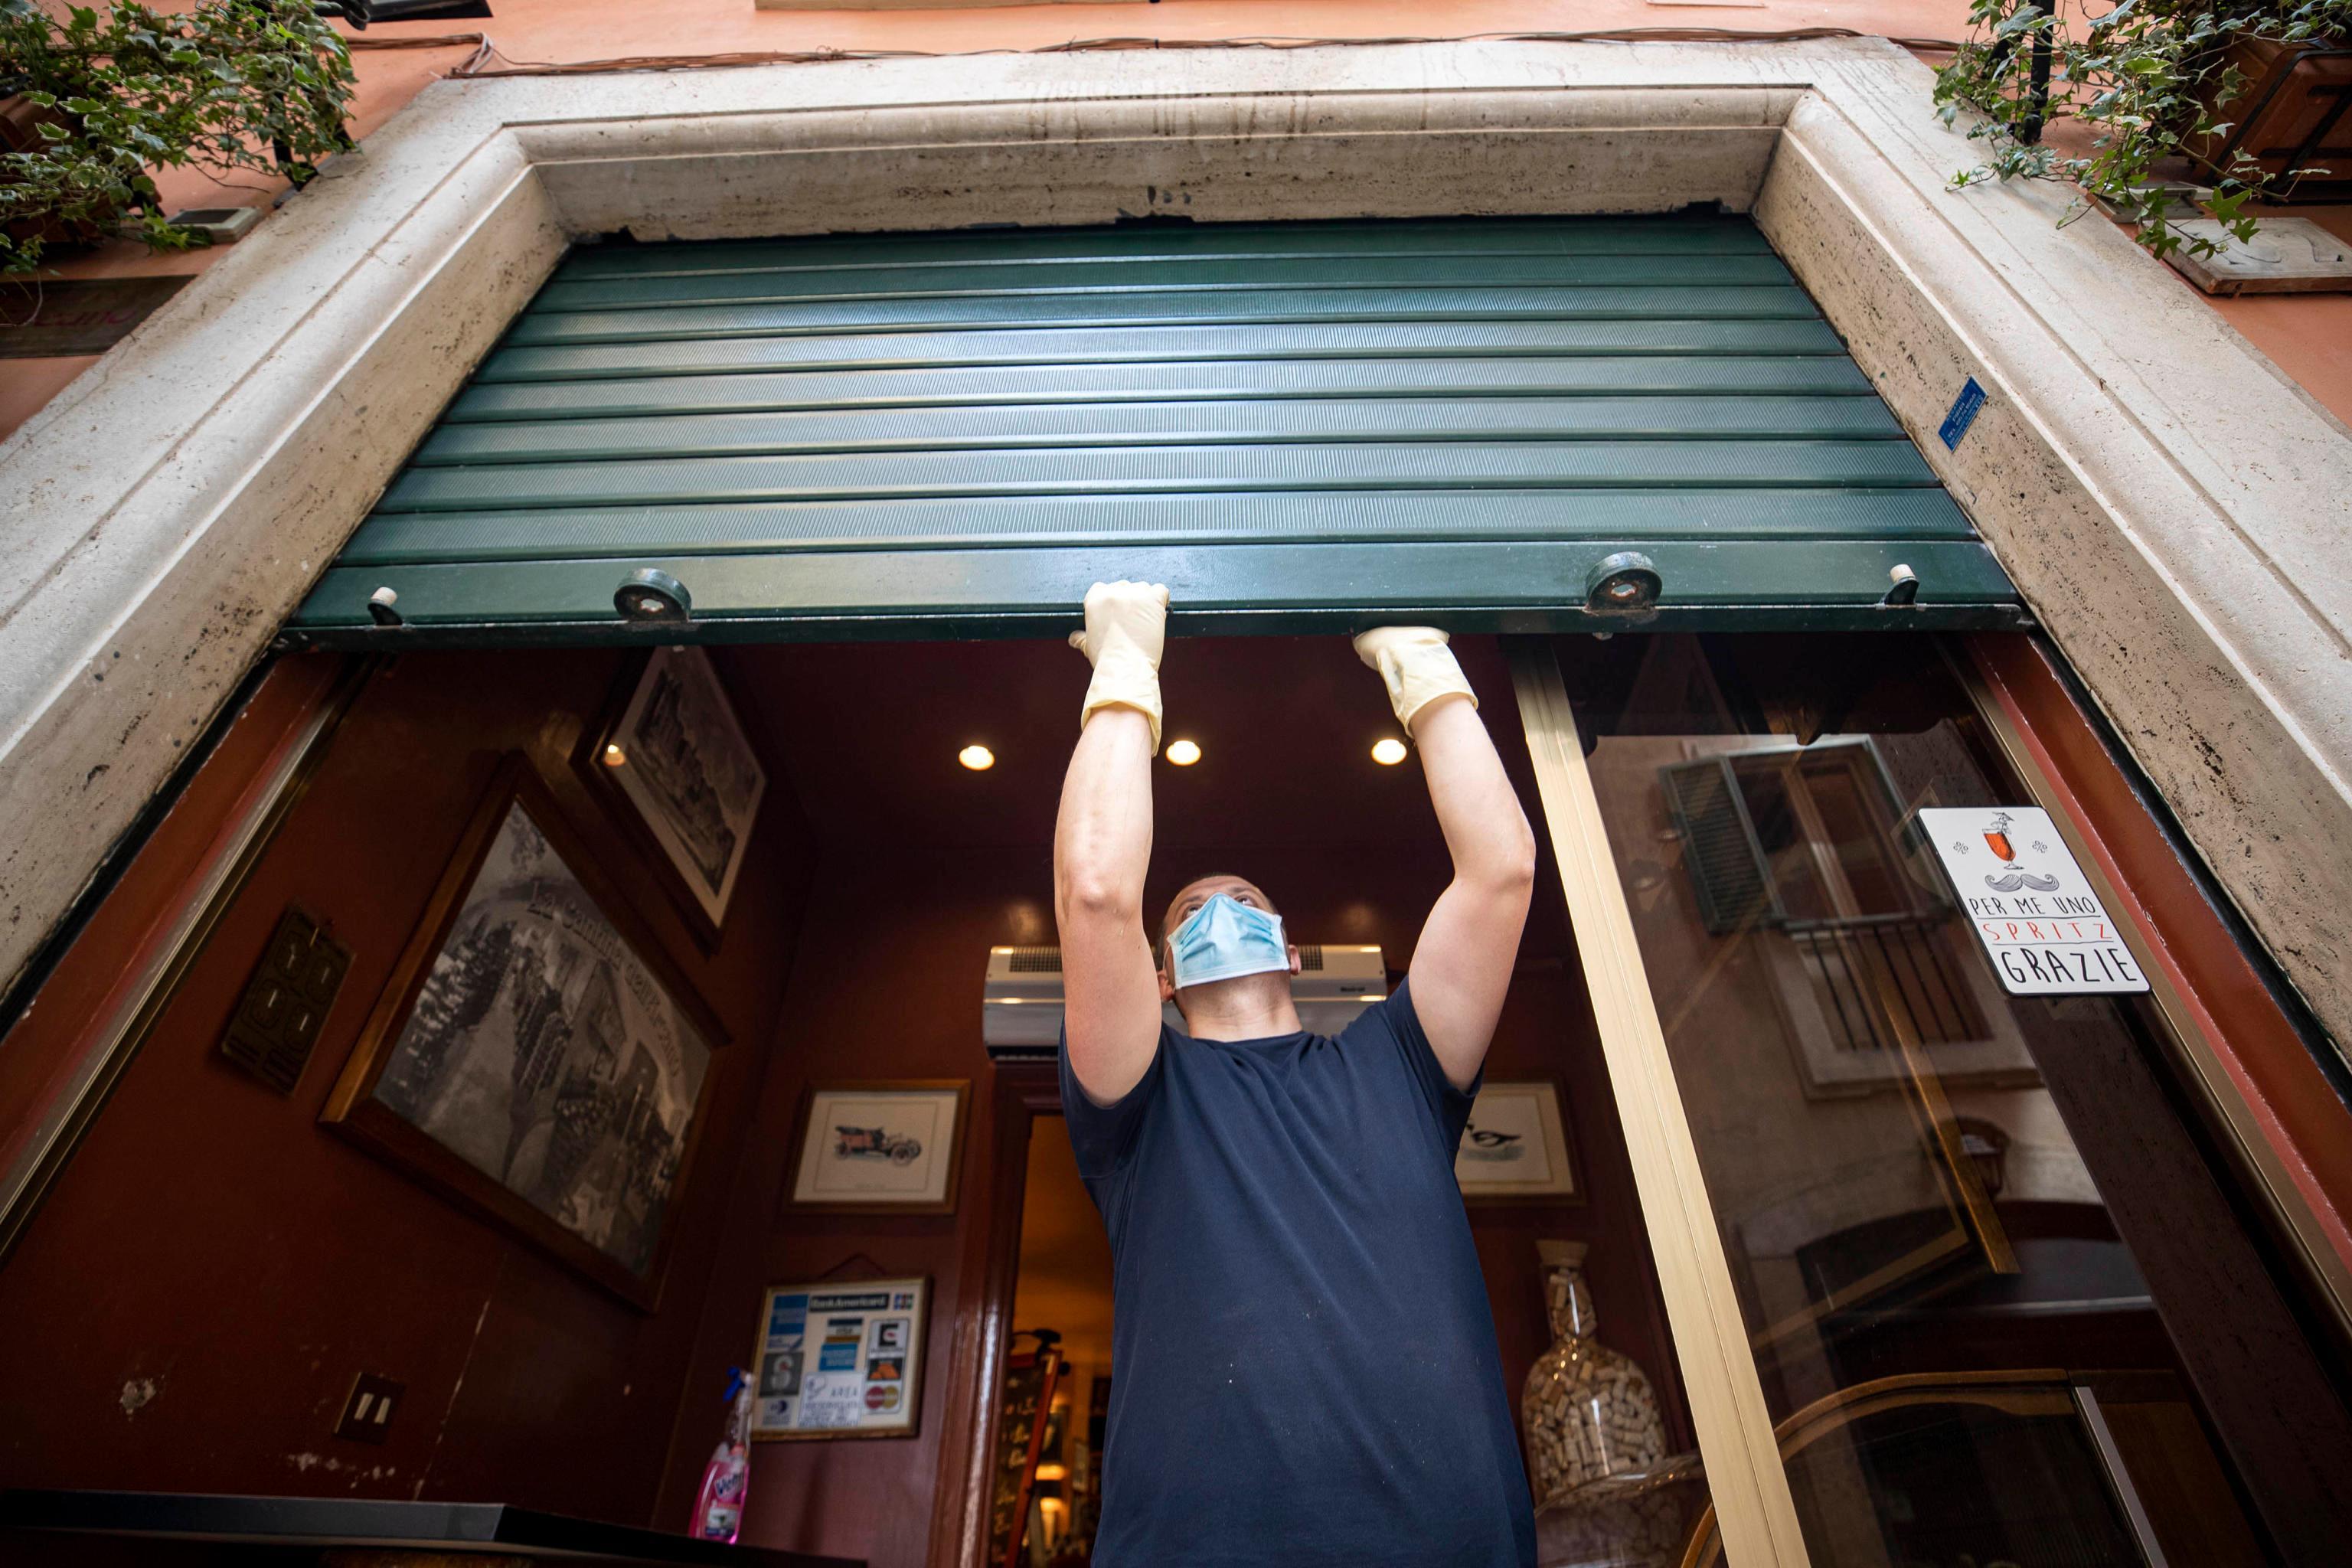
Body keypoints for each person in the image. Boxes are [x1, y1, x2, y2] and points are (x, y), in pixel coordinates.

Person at [1053, 580, 1540, 1568]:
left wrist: (1417, 659)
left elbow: (1503, 871)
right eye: (1190, 911)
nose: (1220, 905)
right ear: (1159, 980)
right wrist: (1126, 669)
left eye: (1243, 900)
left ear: (1288, 950)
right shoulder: (1138, 1102)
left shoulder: (1401, 1061)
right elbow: (1099, 890)